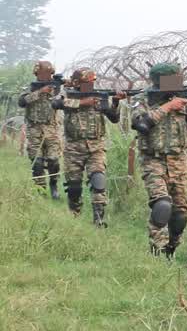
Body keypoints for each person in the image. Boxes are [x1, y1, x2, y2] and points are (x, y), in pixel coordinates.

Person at [129, 62, 187, 257]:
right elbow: (140, 123)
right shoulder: (142, 99)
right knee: (162, 204)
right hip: (153, 160)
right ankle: (156, 250)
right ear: (160, 81)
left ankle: (171, 248)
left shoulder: (183, 98)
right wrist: (168, 106)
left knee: (180, 213)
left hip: (179, 161)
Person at [53, 68, 122, 226]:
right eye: (87, 83)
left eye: (92, 82)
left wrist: (116, 102)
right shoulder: (67, 94)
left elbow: (114, 119)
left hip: (96, 147)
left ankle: (99, 219)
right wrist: (83, 103)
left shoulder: (99, 96)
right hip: (73, 148)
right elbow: (56, 103)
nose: (91, 86)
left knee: (99, 181)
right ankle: (74, 217)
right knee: (74, 187)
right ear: (77, 83)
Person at [17, 60, 63, 199]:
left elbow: (62, 101)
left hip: (51, 128)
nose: (46, 76)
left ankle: (53, 185)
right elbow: (22, 102)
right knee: (36, 161)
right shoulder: (31, 87)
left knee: (53, 160)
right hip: (34, 129)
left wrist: (57, 90)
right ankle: (41, 190)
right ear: (37, 73)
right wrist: (40, 92)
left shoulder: (56, 87)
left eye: (49, 73)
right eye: (43, 73)